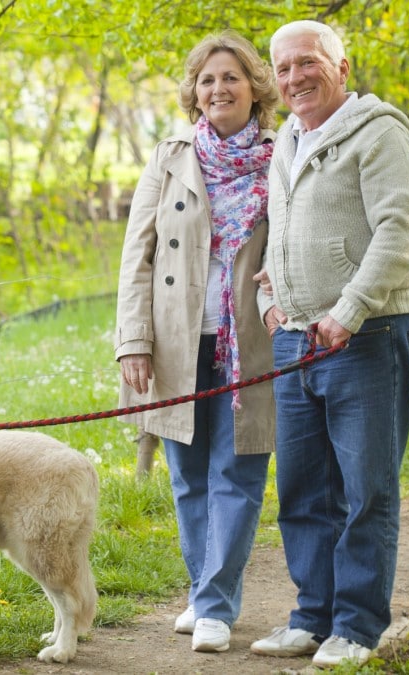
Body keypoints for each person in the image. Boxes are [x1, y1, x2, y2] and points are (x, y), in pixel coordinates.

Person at [248, 20, 409, 668]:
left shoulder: (379, 131)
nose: (295, 77)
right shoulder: (286, 141)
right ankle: (311, 615)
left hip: (368, 336)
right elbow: (282, 238)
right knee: (302, 489)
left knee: (365, 489)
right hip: (296, 340)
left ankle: (356, 624)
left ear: (341, 66)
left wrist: (348, 312)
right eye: (284, 67)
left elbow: (397, 230)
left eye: (307, 63)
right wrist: (271, 300)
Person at [114, 30, 280, 654]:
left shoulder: (279, 154)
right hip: (175, 340)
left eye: (231, 77)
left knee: (236, 472)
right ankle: (203, 588)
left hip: (249, 342)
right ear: (195, 91)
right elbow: (138, 254)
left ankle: (214, 604)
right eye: (207, 80)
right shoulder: (170, 156)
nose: (218, 89)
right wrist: (133, 339)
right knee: (186, 476)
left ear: (254, 87)